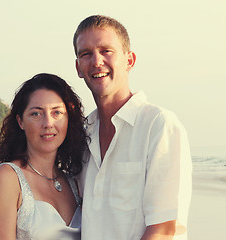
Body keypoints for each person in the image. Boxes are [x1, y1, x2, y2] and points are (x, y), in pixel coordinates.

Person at [73, 15, 193, 239]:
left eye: (106, 50)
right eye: (86, 54)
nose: (96, 61)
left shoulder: (158, 125)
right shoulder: (82, 134)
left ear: (130, 60)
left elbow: (163, 229)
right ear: (78, 67)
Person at [0, 73, 89, 239]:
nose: (48, 123)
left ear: (68, 119)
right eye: (36, 114)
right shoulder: (7, 179)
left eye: (57, 112)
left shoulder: (75, 181)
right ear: (20, 121)